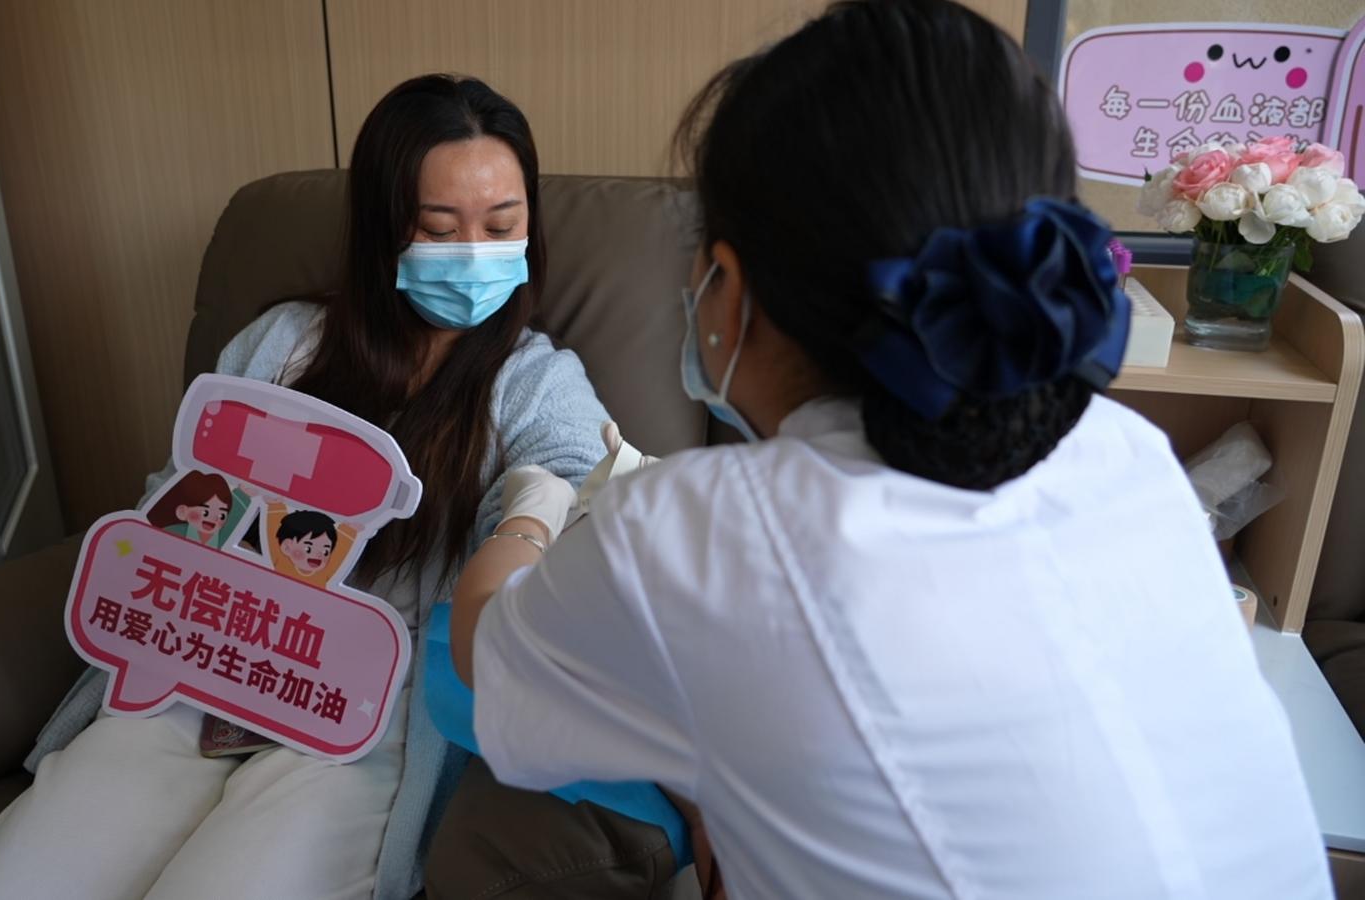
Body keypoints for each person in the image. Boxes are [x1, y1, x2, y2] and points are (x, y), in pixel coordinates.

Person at [449, 3, 1333, 899]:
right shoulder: (1127, 453)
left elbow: (489, 659)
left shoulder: (696, 532)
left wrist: (530, 508)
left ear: (731, 286)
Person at [0, 74, 616, 900]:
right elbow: (178, 495)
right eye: (440, 229)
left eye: (501, 225)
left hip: (365, 708)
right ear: (381, 230)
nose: (474, 253)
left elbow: (575, 476)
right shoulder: (283, 344)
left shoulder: (532, 380)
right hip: (207, 659)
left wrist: (531, 520)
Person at [143, 470, 247, 549]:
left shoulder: (225, 536)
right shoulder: (171, 533)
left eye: (221, 515)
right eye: (205, 512)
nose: (213, 518)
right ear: (182, 512)